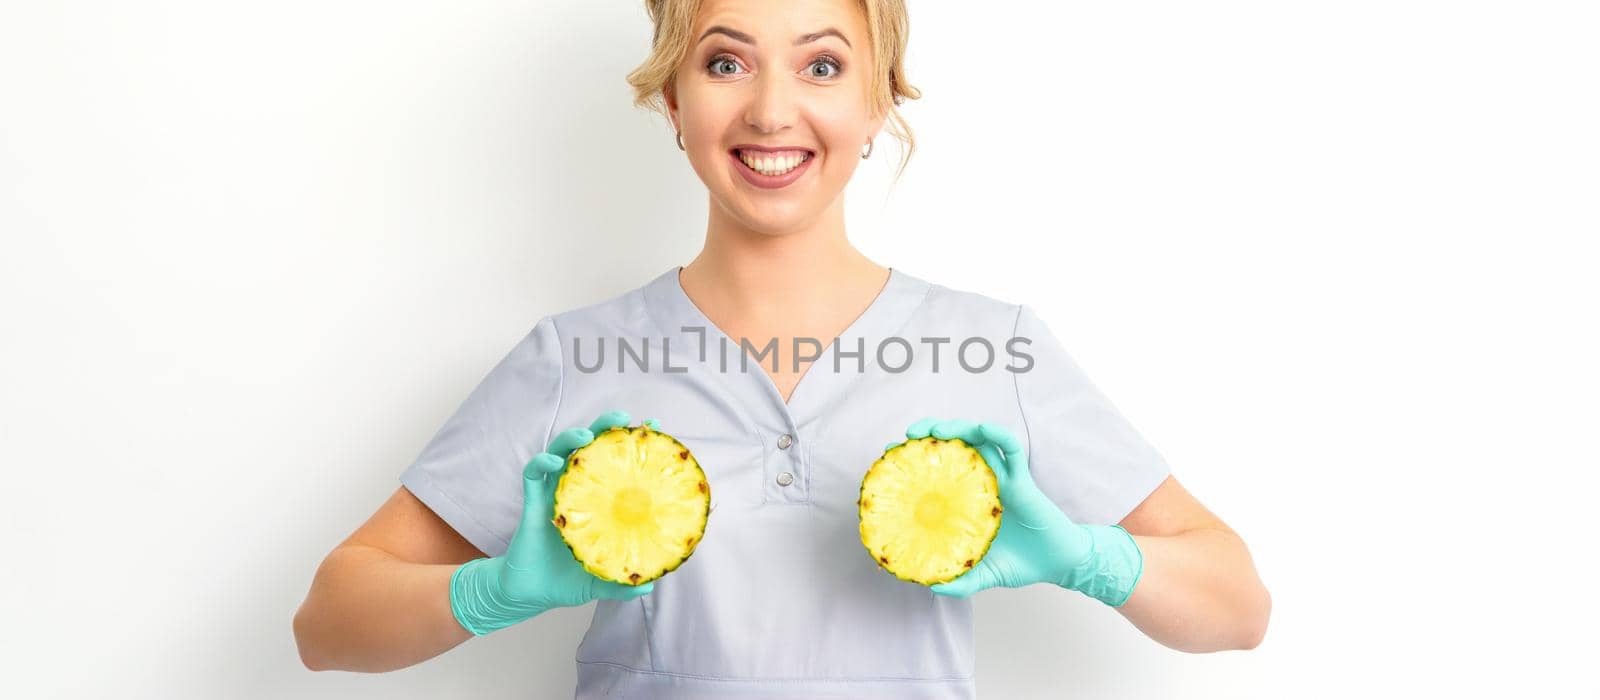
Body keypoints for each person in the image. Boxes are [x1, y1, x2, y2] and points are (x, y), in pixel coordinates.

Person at [292, 0, 1272, 696]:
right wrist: (494, 590)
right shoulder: (570, 359)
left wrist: (1087, 558)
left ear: (877, 101)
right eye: (724, 62)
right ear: (672, 100)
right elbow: (327, 624)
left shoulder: (993, 349)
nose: (769, 110)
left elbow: (1236, 605)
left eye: (821, 64)